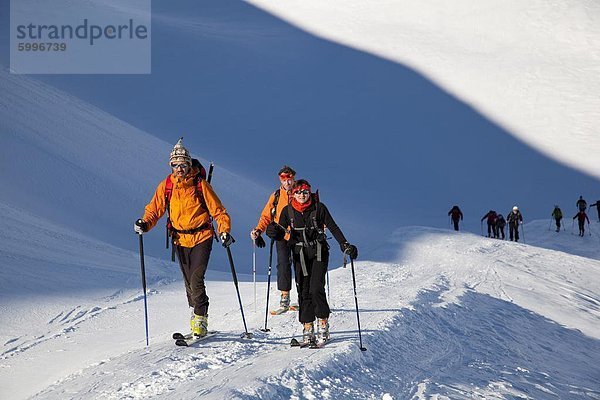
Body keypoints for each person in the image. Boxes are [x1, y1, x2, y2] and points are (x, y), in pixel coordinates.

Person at [134, 138, 233, 337]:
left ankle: (200, 318)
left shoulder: (200, 184)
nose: (179, 168)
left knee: (196, 278)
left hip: (202, 236)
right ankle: (194, 313)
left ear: (189, 164)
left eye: (183, 164)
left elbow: (219, 211)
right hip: (179, 239)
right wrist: (144, 223)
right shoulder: (167, 186)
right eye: (175, 165)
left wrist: (224, 230)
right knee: (188, 281)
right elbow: (155, 209)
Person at [265, 179, 357, 346]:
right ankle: (307, 328)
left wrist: (345, 244)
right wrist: (273, 232)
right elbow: (281, 232)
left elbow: (333, 227)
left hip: (318, 253)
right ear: (293, 194)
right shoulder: (288, 211)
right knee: (303, 291)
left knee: (316, 288)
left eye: (305, 192)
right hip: (299, 254)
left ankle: (323, 323)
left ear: (310, 193)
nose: (302, 195)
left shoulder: (319, 208)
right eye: (298, 192)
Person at [250, 166, 297, 312]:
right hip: (281, 235)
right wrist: (258, 231)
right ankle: (285, 297)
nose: (287, 182)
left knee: (302, 266)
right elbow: (266, 216)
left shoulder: (300, 192)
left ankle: (304, 296)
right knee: (283, 264)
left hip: (300, 235)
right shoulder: (276, 196)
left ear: (293, 178)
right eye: (284, 179)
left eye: (289, 179)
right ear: (280, 180)